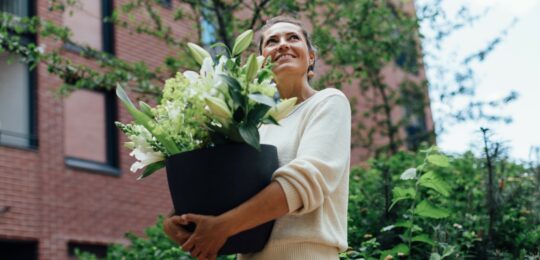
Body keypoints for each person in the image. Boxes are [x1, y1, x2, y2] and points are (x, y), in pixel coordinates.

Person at [163, 16, 351, 260]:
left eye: (293, 38)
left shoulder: (327, 102)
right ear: (262, 63)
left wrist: (223, 226)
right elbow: (225, 189)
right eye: (272, 41)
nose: (283, 44)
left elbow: (307, 179)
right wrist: (176, 221)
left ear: (311, 57)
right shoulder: (250, 125)